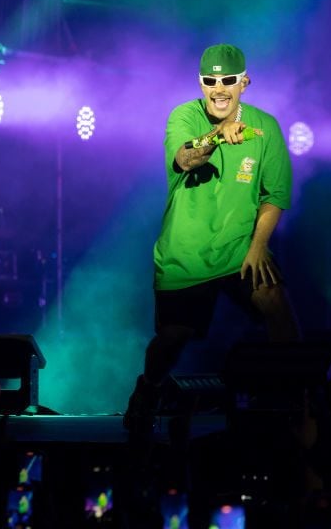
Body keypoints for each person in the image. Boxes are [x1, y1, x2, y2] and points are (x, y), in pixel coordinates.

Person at [123, 43, 300, 438]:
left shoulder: (265, 127)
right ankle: (148, 388)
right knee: (172, 339)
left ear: (244, 82)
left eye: (228, 81)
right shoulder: (183, 116)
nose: (219, 89)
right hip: (187, 254)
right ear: (200, 83)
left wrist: (257, 247)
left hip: (240, 249)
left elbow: (275, 196)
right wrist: (218, 135)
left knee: (277, 304)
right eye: (210, 81)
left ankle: (295, 401)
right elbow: (186, 159)